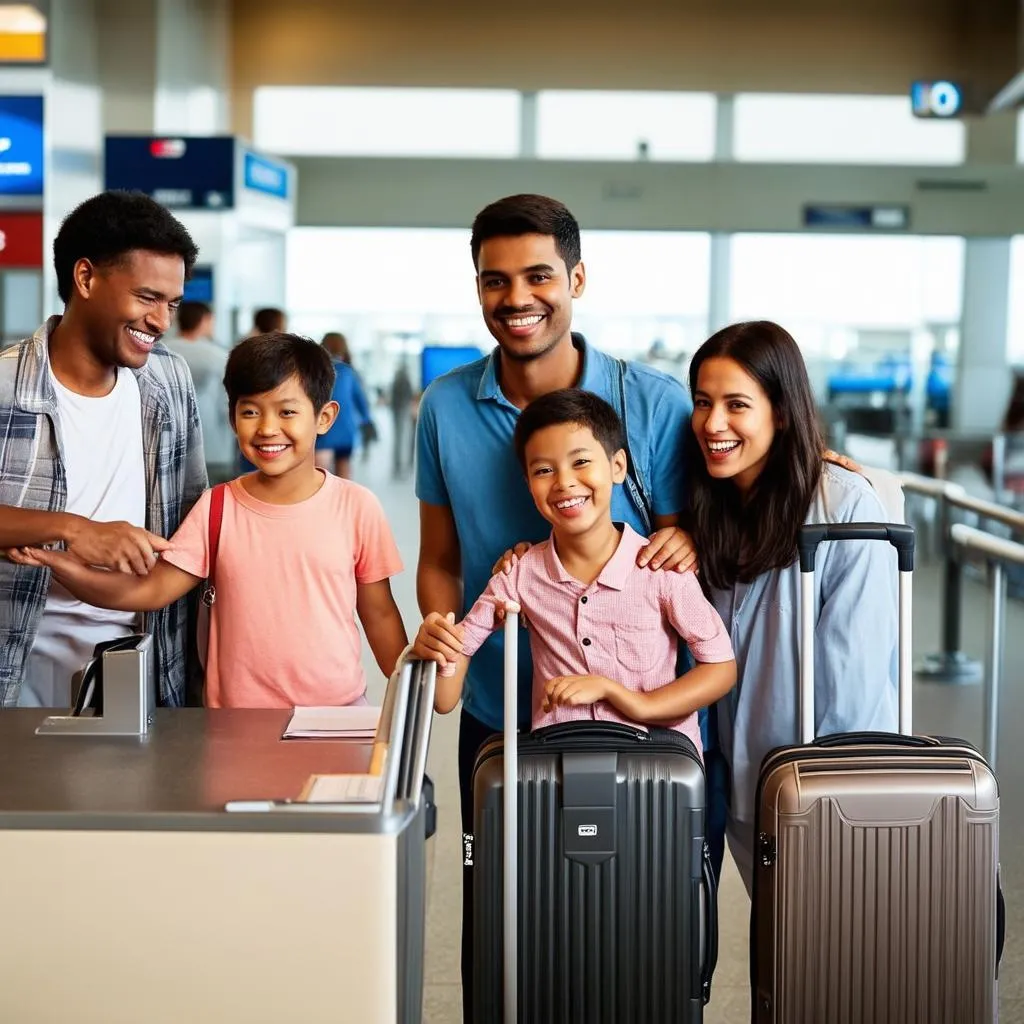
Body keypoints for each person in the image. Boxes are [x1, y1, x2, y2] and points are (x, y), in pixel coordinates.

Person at [414, 193, 696, 1019]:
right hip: (501, 715)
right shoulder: (445, 407)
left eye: (538, 275)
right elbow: (440, 558)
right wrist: (448, 641)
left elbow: (681, 546)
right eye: (494, 281)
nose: (517, 298)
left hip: (635, 717)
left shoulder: (652, 403)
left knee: (640, 921)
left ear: (576, 278)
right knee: (500, 918)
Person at [10, 333, 408, 709]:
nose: (268, 428)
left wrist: (411, 692)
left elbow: (380, 614)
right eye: (250, 412)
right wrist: (61, 566)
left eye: (287, 411)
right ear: (233, 419)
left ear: (324, 417)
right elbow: (148, 592)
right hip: (233, 724)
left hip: (335, 717)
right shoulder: (217, 507)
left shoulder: (357, 507)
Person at [686, 320, 898, 895]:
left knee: (839, 957)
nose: (713, 424)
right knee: (784, 962)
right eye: (703, 403)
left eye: (736, 404)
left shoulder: (844, 506)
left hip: (823, 792)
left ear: (780, 412)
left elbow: (852, 681)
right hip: (746, 784)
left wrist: (815, 798)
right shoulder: (714, 508)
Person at [414, 389, 736, 746]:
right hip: (560, 777)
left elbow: (720, 668)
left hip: (656, 776)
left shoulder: (661, 569)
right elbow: (444, 700)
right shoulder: (519, 575)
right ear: (528, 486)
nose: (564, 482)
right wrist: (438, 647)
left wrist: (634, 703)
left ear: (617, 467)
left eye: (581, 462)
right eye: (544, 470)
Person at [0, 190, 206, 709]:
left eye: (173, 303)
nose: (161, 321)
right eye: (147, 298)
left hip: (143, 673)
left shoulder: (169, 381)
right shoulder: (5, 386)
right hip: (18, 673)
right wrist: (73, 530)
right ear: (86, 278)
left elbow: (192, 513)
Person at [165, 301, 236, 484]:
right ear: (205, 320)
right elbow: (228, 406)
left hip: (168, 449)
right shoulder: (220, 357)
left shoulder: (158, 353)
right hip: (215, 451)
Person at [315, 331, 374, 479]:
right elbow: (361, 401)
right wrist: (367, 420)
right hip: (346, 430)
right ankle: (343, 501)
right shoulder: (349, 372)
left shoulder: (315, 371)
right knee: (344, 473)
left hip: (323, 429)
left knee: (320, 473)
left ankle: (321, 501)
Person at [390, 360, 414, 478]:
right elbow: (409, 396)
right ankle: (400, 467)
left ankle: (398, 466)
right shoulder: (405, 380)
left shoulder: (396, 379)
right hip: (403, 412)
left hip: (397, 411)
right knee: (402, 440)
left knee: (399, 440)